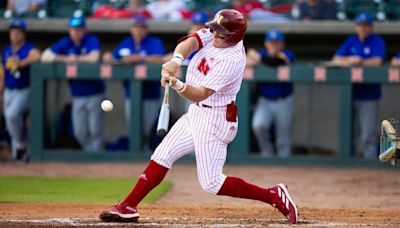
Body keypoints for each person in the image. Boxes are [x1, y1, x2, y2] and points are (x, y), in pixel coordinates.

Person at [99, 9, 299, 224]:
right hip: (197, 112)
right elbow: (191, 41)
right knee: (162, 155)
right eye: (213, 30)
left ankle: (274, 196)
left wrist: (176, 83)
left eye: (219, 33)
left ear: (232, 37)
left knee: (211, 183)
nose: (212, 35)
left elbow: (200, 93)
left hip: (215, 118)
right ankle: (128, 206)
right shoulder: (217, 33)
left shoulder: (231, 60)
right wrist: (176, 61)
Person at [41, 15, 105, 152]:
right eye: (73, 29)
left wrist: (74, 58)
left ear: (84, 30)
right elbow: (46, 56)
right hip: (77, 94)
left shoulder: (91, 40)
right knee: (79, 132)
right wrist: (66, 58)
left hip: (95, 92)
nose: (76, 32)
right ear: (69, 30)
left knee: (95, 131)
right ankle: (91, 155)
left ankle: (98, 161)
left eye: (79, 29)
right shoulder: (66, 42)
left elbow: (94, 58)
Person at [103, 15, 165, 151]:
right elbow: (113, 58)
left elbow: (161, 58)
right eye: (135, 27)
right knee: (134, 128)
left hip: (150, 94)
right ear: (131, 29)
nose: (138, 30)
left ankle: (147, 154)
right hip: (130, 94)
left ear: (146, 29)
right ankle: (136, 157)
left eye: (141, 27)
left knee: (147, 130)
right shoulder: (126, 42)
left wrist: (138, 58)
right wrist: (109, 57)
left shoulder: (154, 42)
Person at [331, 13, 385, 159]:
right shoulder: (351, 40)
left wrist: (360, 61)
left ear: (371, 27)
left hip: (369, 95)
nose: (363, 28)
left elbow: (377, 62)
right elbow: (335, 59)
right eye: (360, 25)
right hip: (350, 94)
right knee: (349, 133)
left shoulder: (377, 41)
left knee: (368, 134)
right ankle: (350, 167)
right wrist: (350, 59)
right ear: (356, 27)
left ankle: (370, 166)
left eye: (366, 25)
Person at [247, 29, 295, 158]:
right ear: (266, 43)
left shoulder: (287, 54)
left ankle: (284, 163)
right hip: (265, 101)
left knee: (283, 138)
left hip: (284, 101)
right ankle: (266, 152)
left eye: (277, 43)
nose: (274, 45)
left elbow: (275, 62)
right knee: (258, 125)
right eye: (271, 42)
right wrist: (253, 56)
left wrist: (257, 58)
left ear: (282, 44)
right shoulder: (261, 54)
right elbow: (246, 61)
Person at [0, 19, 40, 160]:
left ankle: (21, 145)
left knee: (12, 115)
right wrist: (1, 91)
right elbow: (3, 72)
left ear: (23, 34)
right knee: (9, 120)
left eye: (18, 31)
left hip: (23, 90)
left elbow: (37, 55)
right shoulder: (6, 50)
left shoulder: (28, 47)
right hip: (9, 90)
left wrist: (21, 63)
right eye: (13, 31)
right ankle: (17, 155)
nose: (15, 34)